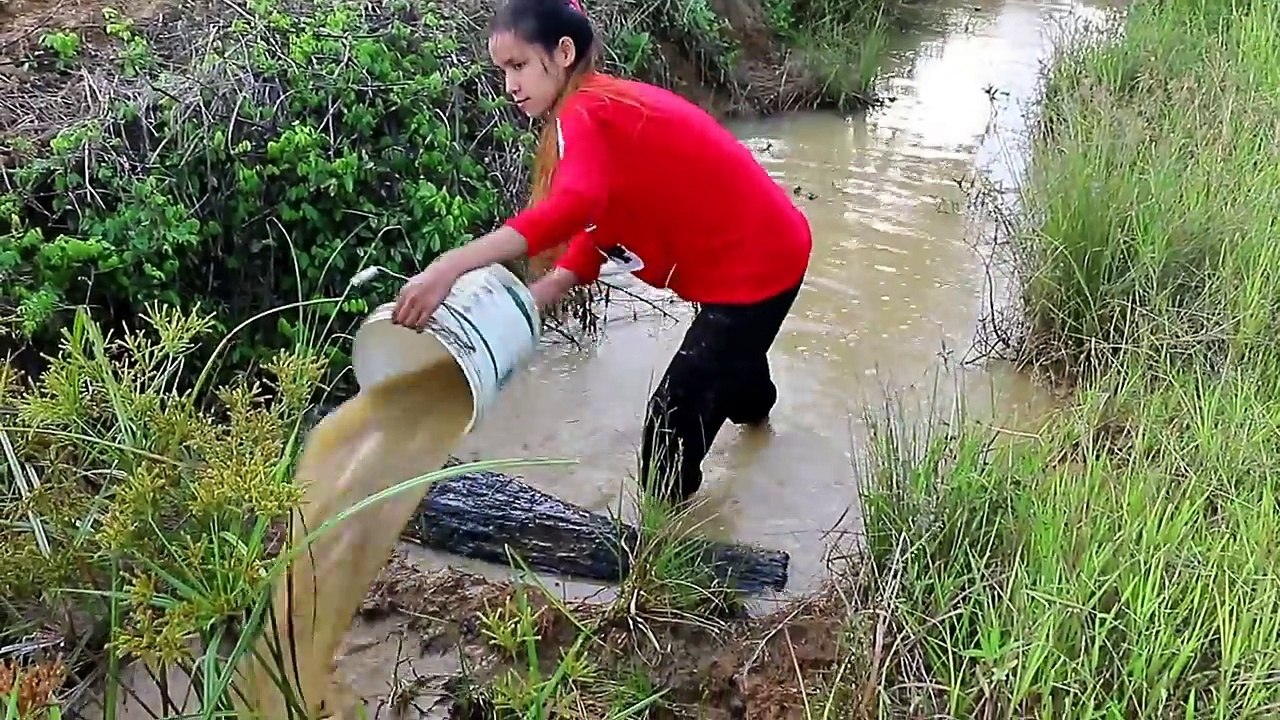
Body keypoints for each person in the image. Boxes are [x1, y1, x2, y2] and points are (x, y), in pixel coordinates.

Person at [391, 0, 812, 507]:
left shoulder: (585, 111)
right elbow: (603, 216)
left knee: (669, 424)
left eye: (519, 65)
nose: (510, 86)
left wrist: (449, 266)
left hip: (757, 267)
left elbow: (577, 204)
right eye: (503, 70)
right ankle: (761, 427)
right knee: (734, 382)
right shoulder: (597, 107)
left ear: (563, 52)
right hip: (757, 253)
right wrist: (550, 287)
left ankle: (665, 543)